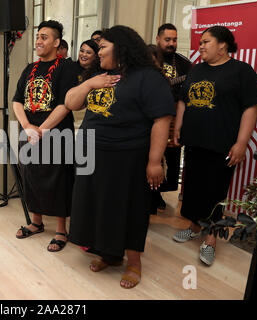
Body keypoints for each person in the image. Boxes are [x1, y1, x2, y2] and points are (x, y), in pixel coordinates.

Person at [66, 25, 175, 288]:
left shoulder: (148, 77)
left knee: (129, 208)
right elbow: (71, 102)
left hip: (128, 156)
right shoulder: (99, 74)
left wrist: (153, 161)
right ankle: (109, 253)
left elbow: (162, 119)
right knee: (99, 206)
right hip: (93, 153)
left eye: (103, 46)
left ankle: (134, 262)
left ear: (121, 47)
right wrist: (92, 82)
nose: (98, 51)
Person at [172, 26, 257, 266]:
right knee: (192, 187)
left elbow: (251, 107)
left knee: (214, 191)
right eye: (200, 42)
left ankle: (211, 237)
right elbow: (183, 101)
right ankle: (193, 225)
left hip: (221, 144)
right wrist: (179, 126)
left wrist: (242, 142)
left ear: (223, 45)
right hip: (193, 141)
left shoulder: (242, 71)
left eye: (206, 42)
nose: (200, 46)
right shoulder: (196, 69)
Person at [13, 20, 78, 252]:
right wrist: (28, 126)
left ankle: (61, 230)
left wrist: (42, 130)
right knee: (31, 175)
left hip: (56, 133)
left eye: (45, 37)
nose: (39, 41)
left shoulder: (67, 68)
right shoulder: (29, 68)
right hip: (29, 132)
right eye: (38, 36)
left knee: (58, 180)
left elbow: (65, 104)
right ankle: (36, 222)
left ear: (57, 42)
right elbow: (17, 100)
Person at [150, 23, 193, 213]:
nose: (171, 43)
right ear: (158, 39)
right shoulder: (147, 59)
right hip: (150, 117)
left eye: (174, 40)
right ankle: (153, 195)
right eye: (167, 39)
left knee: (173, 161)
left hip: (175, 116)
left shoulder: (184, 64)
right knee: (153, 159)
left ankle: (163, 190)